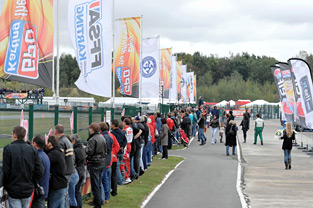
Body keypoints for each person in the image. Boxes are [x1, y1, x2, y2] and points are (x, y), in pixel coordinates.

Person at [3, 126, 43, 208]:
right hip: (27, 188)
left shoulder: (8, 149)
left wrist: (7, 184)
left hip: (14, 188)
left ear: (14, 135)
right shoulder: (32, 150)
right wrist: (32, 181)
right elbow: (40, 170)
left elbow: (6, 171)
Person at [54, 125, 77, 207]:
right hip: (70, 169)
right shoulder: (67, 141)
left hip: (65, 171)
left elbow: (61, 158)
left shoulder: (61, 142)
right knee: (65, 193)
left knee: (63, 194)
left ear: (56, 132)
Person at [86, 122, 107, 208]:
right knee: (98, 184)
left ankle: (97, 204)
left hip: (94, 163)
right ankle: (97, 201)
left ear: (92, 129)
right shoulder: (102, 138)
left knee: (95, 186)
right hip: (102, 162)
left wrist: (86, 150)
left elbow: (89, 151)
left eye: (90, 128)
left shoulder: (93, 139)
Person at [46, 135, 68, 208]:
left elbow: (44, 162)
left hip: (57, 186)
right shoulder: (59, 152)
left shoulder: (53, 154)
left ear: (50, 143)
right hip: (61, 184)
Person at [31, 135, 50, 208]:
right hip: (43, 189)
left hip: (38, 192)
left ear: (35, 144)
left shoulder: (38, 157)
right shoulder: (44, 155)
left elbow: (37, 174)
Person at [71, 134, 86, 208]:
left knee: (75, 191)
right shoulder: (82, 148)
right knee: (78, 191)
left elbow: (73, 161)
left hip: (77, 171)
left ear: (74, 141)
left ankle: (78, 206)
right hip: (82, 170)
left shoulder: (76, 150)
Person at [111, 120, 127, 186]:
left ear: (114, 125)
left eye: (111, 124)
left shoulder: (112, 133)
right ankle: (122, 179)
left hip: (116, 152)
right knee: (120, 166)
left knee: (117, 167)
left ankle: (120, 181)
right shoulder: (122, 132)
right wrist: (122, 146)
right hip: (121, 151)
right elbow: (125, 141)